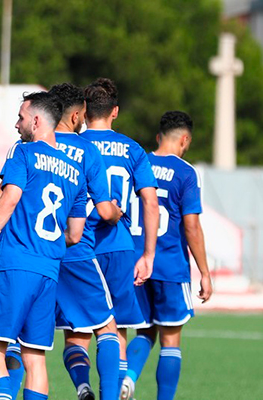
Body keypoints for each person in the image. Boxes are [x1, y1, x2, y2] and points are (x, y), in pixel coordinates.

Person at [0, 91, 87, 400]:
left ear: (36, 121)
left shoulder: (23, 153)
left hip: (15, 263)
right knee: (34, 357)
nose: (16, 124)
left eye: (20, 118)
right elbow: (75, 233)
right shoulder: (76, 171)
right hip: (49, 270)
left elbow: (9, 197)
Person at [121, 111, 213, 400]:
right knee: (170, 340)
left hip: (136, 264)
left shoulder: (138, 163)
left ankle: (128, 377)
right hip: (170, 265)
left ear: (158, 136)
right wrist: (205, 272)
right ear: (185, 140)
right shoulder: (186, 173)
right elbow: (192, 226)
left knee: (144, 332)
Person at [78, 78, 159, 395]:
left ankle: (83, 386)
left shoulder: (71, 146)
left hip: (79, 246)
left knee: (77, 333)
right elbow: (150, 201)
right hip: (119, 246)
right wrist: (148, 254)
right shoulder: (133, 148)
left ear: (83, 111)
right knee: (117, 330)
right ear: (115, 111)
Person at [48, 83, 123, 400]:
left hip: (37, 251)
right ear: (77, 115)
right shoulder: (86, 150)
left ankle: (82, 387)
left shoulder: (31, 146)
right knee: (107, 327)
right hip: (75, 251)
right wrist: (117, 212)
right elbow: (104, 210)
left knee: (27, 342)